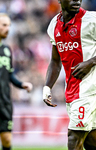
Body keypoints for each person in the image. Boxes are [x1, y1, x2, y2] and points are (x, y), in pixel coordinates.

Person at [43, 0, 96, 149]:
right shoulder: (54, 24)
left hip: (90, 86)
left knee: (74, 139)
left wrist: (91, 62)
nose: (77, 1)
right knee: (93, 143)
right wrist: (47, 87)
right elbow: (55, 60)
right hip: (73, 89)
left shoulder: (92, 19)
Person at [0, 13, 33, 150]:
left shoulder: (7, 50)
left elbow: (9, 73)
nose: (8, 28)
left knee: (7, 140)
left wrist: (21, 84)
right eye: (4, 25)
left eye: (9, 25)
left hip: (4, 101)